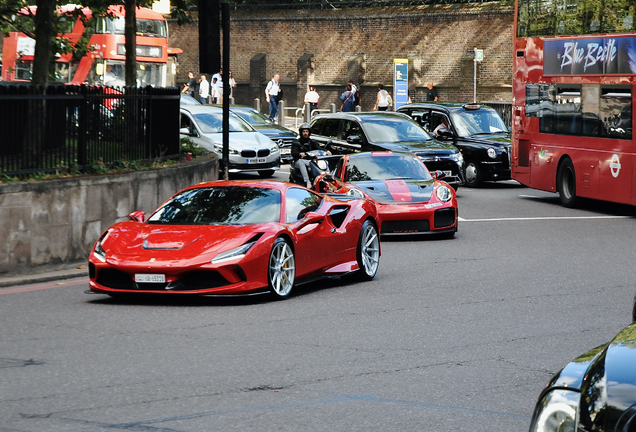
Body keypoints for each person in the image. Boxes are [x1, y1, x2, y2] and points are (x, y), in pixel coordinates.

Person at [291, 123, 330, 188]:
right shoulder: (297, 142)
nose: (305, 133)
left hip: (310, 161)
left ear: (309, 132)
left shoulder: (312, 142)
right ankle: (307, 182)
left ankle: (326, 178)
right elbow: (293, 152)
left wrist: (326, 151)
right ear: (301, 132)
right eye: (303, 131)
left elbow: (318, 148)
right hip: (299, 162)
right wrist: (299, 154)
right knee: (300, 161)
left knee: (323, 161)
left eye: (307, 131)